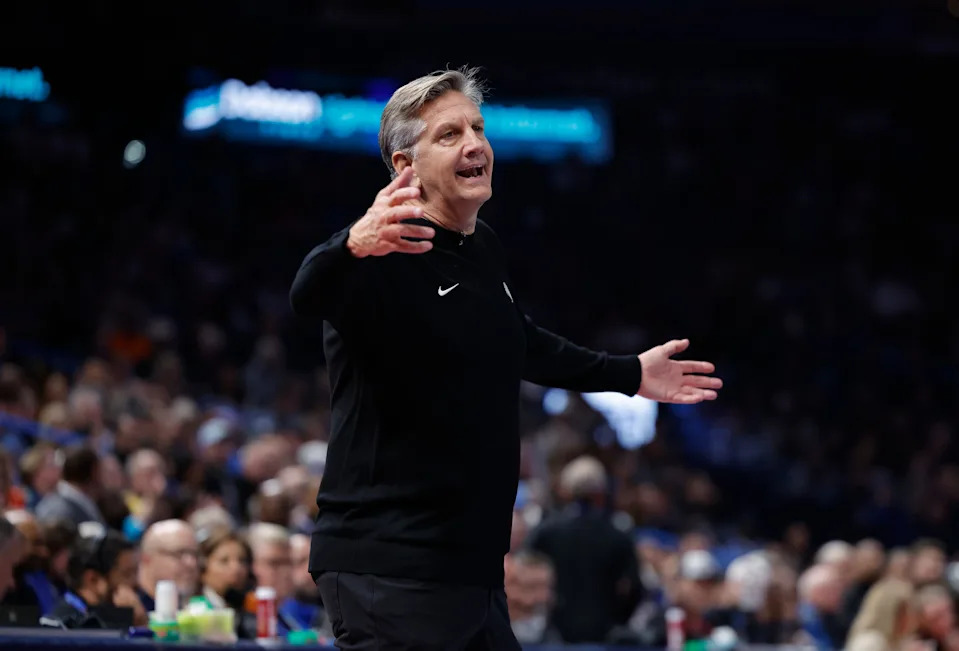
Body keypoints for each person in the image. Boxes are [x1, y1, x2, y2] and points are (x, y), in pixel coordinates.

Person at [290, 66, 722, 650]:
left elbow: (521, 341)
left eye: (478, 128)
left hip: (470, 568)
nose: (474, 144)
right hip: (392, 565)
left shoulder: (481, 247)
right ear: (404, 166)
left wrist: (630, 374)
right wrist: (350, 244)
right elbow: (307, 295)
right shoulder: (380, 250)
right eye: (448, 135)